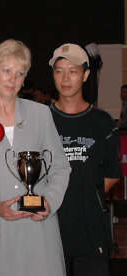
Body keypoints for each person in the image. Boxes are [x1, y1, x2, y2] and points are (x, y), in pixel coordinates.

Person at [0, 39, 71, 276]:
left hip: (40, 234)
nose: (13, 79)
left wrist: (49, 201)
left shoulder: (41, 114)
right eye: (7, 71)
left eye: (20, 73)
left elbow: (61, 168)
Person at [49, 43, 121, 276]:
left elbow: (111, 176)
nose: (66, 78)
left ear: (86, 75)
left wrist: (84, 197)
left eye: (73, 71)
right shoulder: (40, 119)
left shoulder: (102, 122)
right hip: (49, 234)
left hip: (91, 236)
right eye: (59, 70)